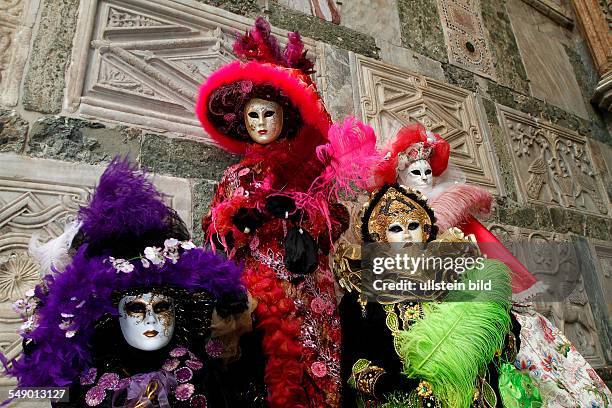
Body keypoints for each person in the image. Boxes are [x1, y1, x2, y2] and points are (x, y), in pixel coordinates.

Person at [4, 159, 256, 407]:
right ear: (114, 316)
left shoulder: (204, 372)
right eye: (135, 308)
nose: (151, 319)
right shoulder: (84, 385)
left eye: (161, 308)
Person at [196, 17, 353, 408]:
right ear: (242, 123)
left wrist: (302, 213)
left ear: (284, 116)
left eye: (269, 114)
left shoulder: (307, 170)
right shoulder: (235, 175)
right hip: (258, 292)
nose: (262, 123)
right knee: (263, 377)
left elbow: (335, 221)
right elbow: (215, 234)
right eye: (253, 116)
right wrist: (241, 220)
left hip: (308, 286)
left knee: (318, 372)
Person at [336, 183, 521, 407]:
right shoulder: (361, 297)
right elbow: (353, 361)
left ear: (424, 231)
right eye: (394, 228)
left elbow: (502, 329)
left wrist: (482, 346)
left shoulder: (457, 276)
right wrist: (391, 386)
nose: (406, 233)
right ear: (380, 239)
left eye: (413, 225)